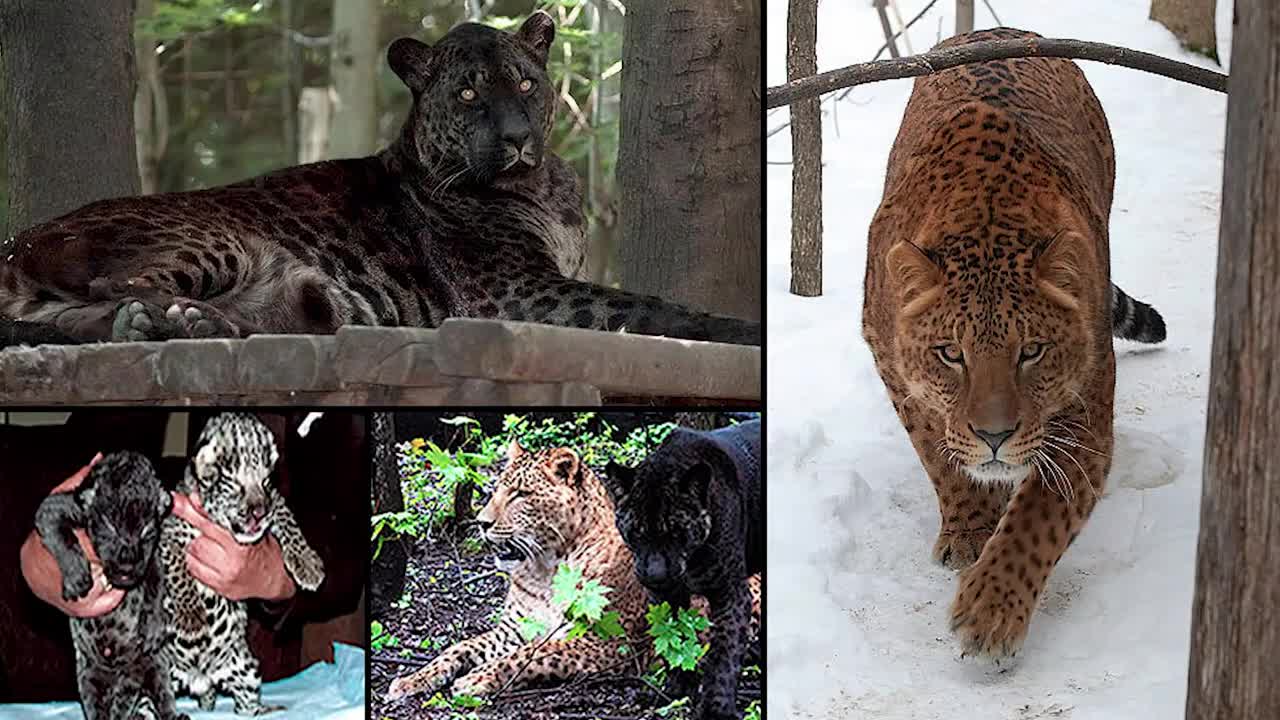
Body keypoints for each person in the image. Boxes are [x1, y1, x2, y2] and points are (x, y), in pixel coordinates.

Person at [0, 411, 367, 703]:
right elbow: (96, 453)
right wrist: (42, 555)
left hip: (261, 674)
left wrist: (277, 573)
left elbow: (348, 534)